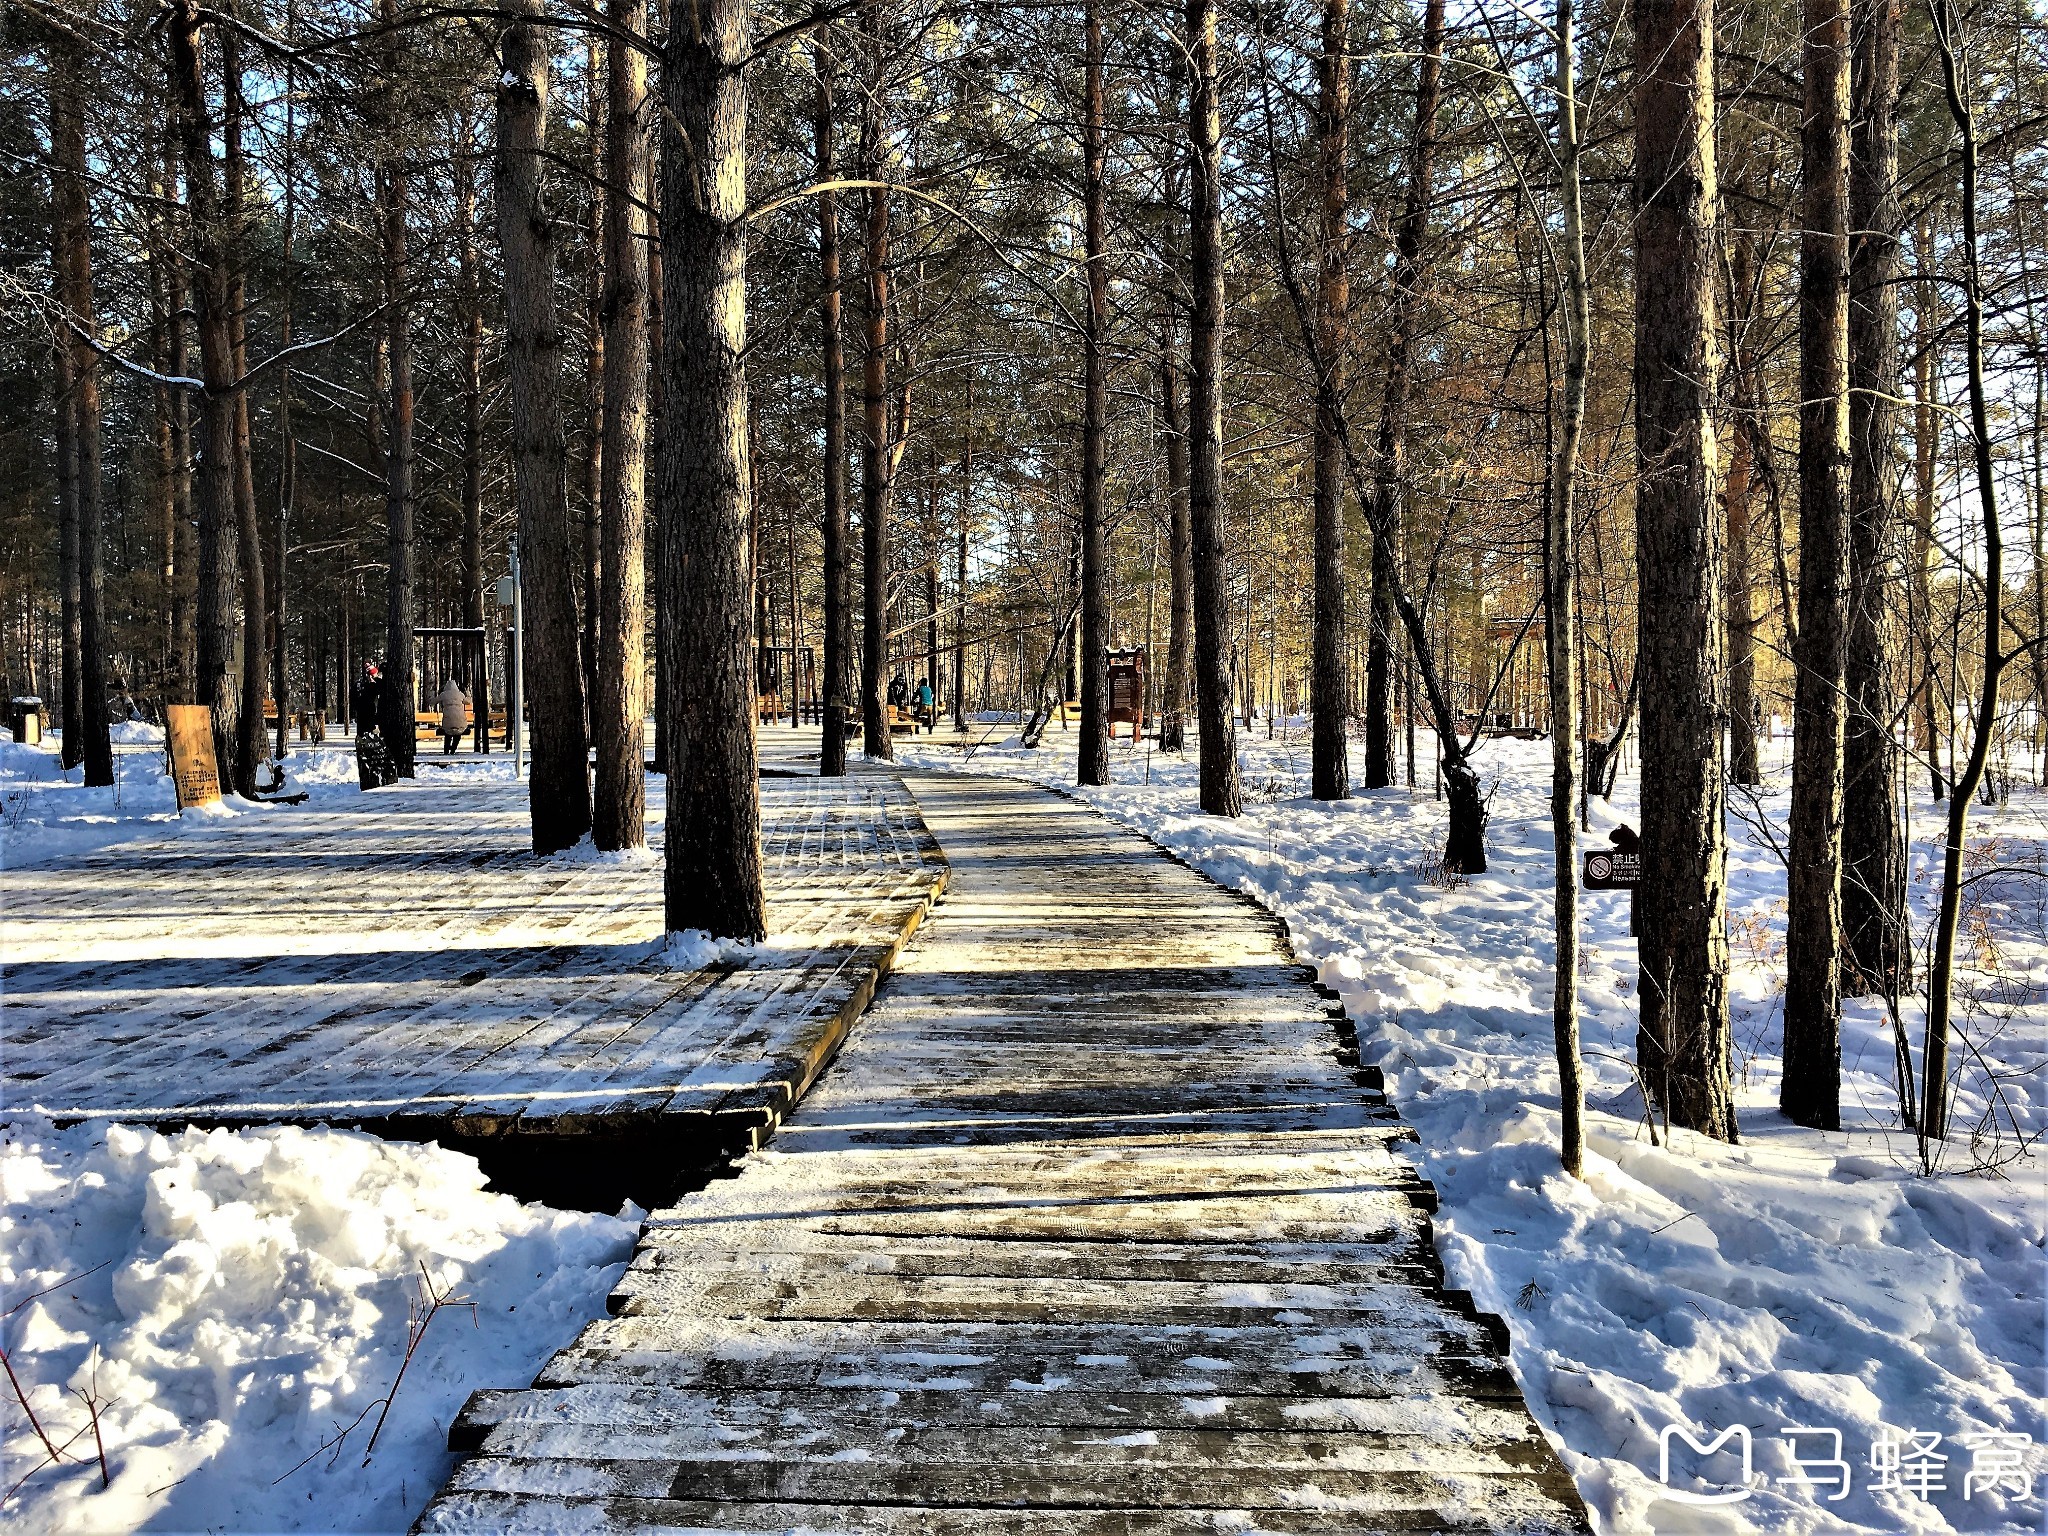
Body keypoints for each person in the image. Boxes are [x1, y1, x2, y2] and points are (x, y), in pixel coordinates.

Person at [350, 660, 394, 790]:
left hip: (364, 713)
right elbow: (381, 689)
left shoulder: (360, 684)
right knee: (368, 733)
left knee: (364, 732)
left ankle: (364, 747)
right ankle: (366, 751)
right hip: (368, 713)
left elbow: (353, 697)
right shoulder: (369, 685)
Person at [438, 676, 469, 755]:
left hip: (447, 724)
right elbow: (468, 702)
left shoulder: (443, 694)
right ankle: (453, 750)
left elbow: (432, 702)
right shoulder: (460, 695)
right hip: (461, 724)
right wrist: (468, 693)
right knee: (458, 733)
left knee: (448, 733)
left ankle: (446, 751)